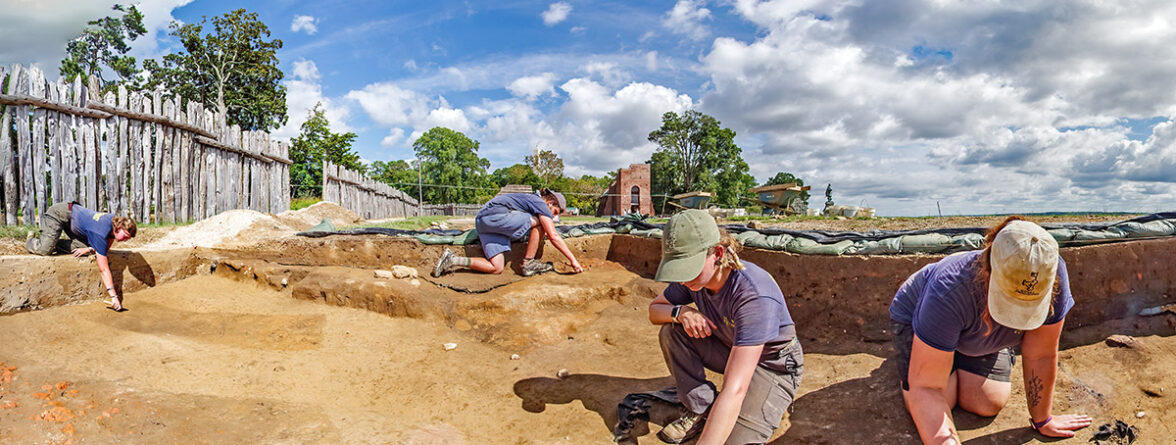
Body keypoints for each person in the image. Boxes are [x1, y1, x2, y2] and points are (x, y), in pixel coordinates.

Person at [889, 217, 1092, 444]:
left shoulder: (1051, 274)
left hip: (973, 330)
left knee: (987, 402)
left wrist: (1043, 420)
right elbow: (927, 388)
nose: (1018, 321)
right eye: (1011, 304)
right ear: (988, 271)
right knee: (942, 396)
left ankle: (950, 358)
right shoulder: (948, 290)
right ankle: (921, 359)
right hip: (922, 317)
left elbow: (1042, 353)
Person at [647, 209, 803, 444]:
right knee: (672, 330)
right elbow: (655, 310)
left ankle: (763, 399)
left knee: (733, 440)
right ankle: (701, 408)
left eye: (688, 266)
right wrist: (681, 312)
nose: (681, 278)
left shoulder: (753, 294)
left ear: (717, 253)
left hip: (772, 364)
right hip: (731, 348)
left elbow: (735, 389)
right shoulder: (692, 280)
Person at [433, 188, 583, 277]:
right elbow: (554, 236)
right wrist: (573, 260)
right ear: (550, 202)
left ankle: (452, 260)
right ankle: (528, 263)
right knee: (541, 223)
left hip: (485, 224)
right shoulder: (539, 202)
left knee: (496, 267)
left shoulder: (533, 202)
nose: (554, 216)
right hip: (495, 216)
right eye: (555, 211)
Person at [26, 201, 137, 311]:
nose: (126, 240)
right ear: (119, 228)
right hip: (60, 213)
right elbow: (103, 269)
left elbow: (105, 247)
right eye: (126, 235)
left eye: (129, 238)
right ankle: (31, 240)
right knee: (44, 250)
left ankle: (54, 242)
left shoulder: (113, 223)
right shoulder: (101, 232)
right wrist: (114, 297)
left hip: (74, 222)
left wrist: (89, 248)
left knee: (83, 249)